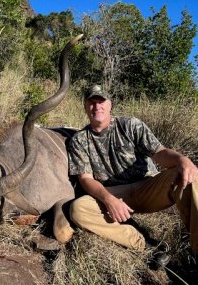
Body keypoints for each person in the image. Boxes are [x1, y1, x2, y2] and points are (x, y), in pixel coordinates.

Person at [68, 84, 198, 267]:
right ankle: (145, 244)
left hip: (147, 187)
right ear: (85, 106)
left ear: (110, 104)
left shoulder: (130, 125)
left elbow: (160, 153)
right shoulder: (79, 140)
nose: (97, 106)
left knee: (190, 176)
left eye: (101, 101)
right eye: (91, 102)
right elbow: (85, 179)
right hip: (115, 194)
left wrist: (182, 160)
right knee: (78, 209)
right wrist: (108, 199)